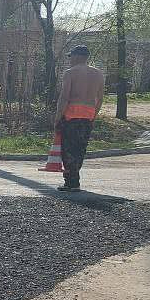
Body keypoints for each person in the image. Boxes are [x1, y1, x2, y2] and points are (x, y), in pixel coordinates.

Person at [53, 45, 105, 193]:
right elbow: (100, 99)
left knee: (68, 150)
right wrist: (93, 116)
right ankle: (74, 180)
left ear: (76, 56)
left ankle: (71, 182)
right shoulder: (98, 74)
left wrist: (57, 118)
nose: (69, 60)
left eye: (71, 57)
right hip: (87, 116)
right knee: (80, 150)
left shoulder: (70, 73)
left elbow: (64, 97)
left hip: (71, 116)